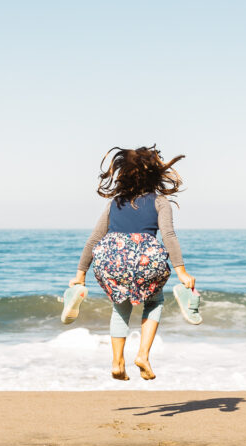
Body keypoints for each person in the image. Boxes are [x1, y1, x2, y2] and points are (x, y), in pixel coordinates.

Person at [70, 145, 196, 381]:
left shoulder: (114, 203)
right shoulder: (160, 202)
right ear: (155, 175)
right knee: (154, 301)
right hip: (145, 260)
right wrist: (182, 272)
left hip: (110, 260)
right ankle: (143, 356)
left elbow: (94, 239)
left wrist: (80, 274)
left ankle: (117, 362)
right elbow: (168, 236)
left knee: (120, 307)